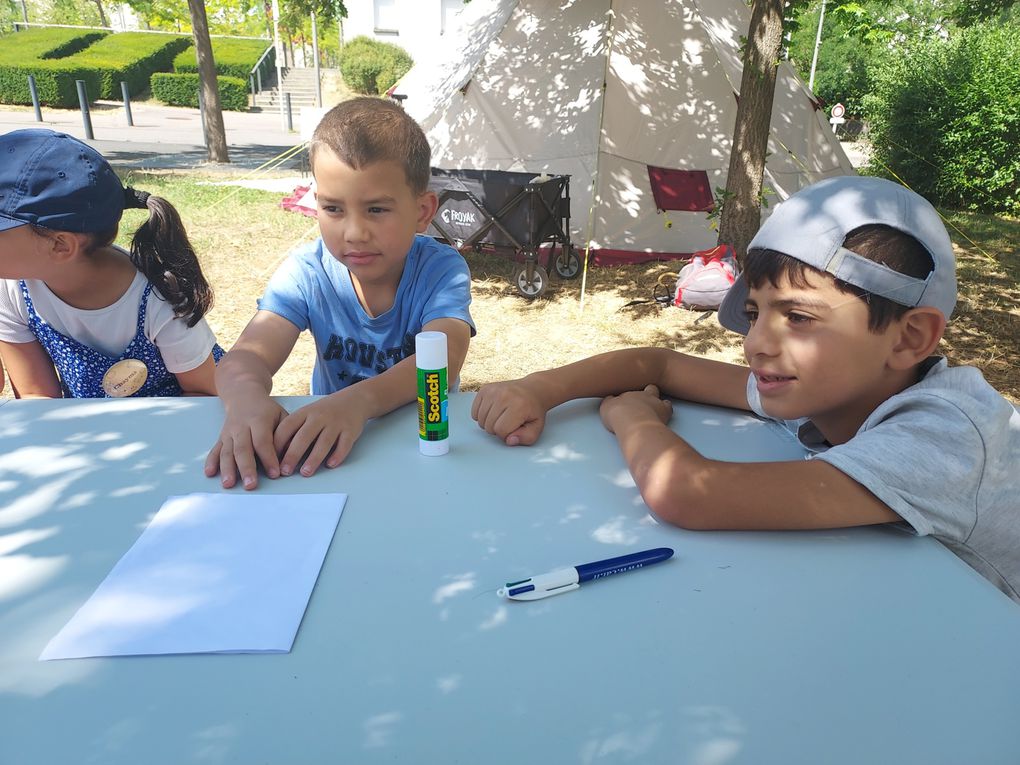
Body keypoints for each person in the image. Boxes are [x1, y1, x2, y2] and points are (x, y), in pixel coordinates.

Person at [472, 176, 1020, 603]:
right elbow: (659, 363)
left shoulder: (944, 435)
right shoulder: (830, 385)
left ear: (909, 338)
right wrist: (542, 388)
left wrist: (632, 418)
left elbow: (687, 493)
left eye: (799, 317)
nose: (757, 342)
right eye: (755, 313)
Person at [205, 97, 474, 490]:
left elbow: (446, 355)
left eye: (377, 210)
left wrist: (358, 402)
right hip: (336, 456)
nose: (354, 232)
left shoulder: (441, 270)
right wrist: (245, 400)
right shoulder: (307, 271)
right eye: (333, 209)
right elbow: (245, 356)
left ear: (422, 210)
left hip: (425, 448)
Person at [0, 129, 223, 399]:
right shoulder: (11, 289)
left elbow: (204, 396)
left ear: (60, 245)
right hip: (93, 433)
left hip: (173, 427)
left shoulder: (160, 300)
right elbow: (37, 396)